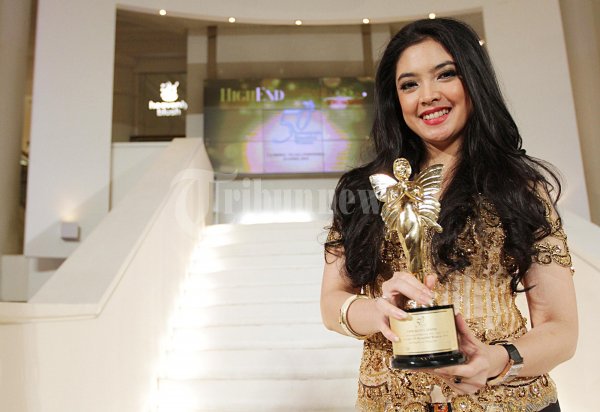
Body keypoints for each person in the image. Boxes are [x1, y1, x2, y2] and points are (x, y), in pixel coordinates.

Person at [320, 18, 577, 412]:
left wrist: (498, 361)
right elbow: (331, 303)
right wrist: (378, 311)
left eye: (445, 75)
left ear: (473, 81)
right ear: (394, 98)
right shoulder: (364, 190)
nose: (428, 96)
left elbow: (561, 330)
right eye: (409, 84)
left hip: (507, 401)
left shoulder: (519, 187)